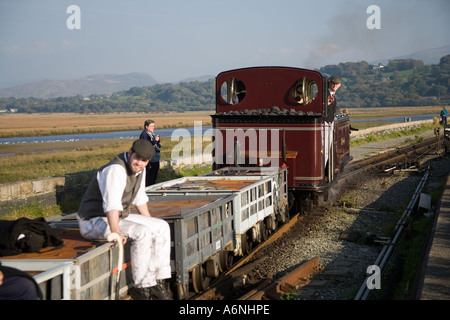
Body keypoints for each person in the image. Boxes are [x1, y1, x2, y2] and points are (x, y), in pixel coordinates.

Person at [76, 139, 172, 300]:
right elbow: (111, 204)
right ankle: (142, 287)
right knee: (142, 233)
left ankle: (158, 281)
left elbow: (140, 198)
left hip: (116, 216)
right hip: (92, 221)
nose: (139, 163)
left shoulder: (140, 170)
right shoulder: (116, 170)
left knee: (161, 227)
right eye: (137, 158)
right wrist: (116, 233)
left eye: (144, 161)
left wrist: (151, 224)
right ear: (129, 153)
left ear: (147, 161)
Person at [323, 76, 342, 180]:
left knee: (329, 148)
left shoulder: (332, 95)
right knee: (325, 149)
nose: (335, 85)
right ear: (329, 83)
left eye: (337, 84)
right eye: (333, 83)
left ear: (339, 85)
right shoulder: (325, 94)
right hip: (325, 123)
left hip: (330, 122)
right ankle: (321, 172)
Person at [139, 119, 161, 186]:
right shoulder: (144, 134)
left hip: (154, 156)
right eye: (151, 126)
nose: (153, 128)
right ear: (146, 126)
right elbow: (147, 145)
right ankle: (149, 187)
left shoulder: (150, 133)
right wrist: (155, 141)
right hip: (151, 157)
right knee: (151, 173)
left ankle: (151, 185)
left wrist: (157, 141)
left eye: (153, 126)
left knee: (154, 172)